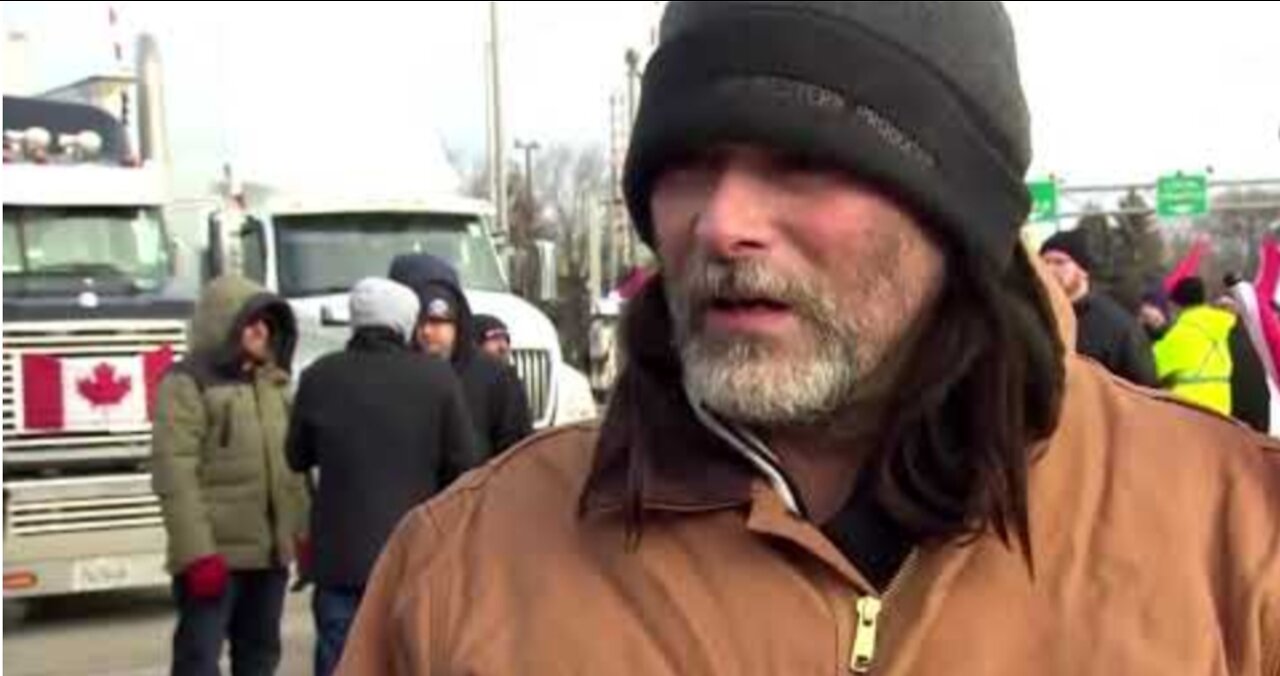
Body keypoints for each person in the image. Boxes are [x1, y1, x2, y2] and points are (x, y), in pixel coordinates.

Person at [339, 3, 1280, 675]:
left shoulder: (1232, 541)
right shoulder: (467, 566)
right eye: (689, 163)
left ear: (957, 213)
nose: (721, 223)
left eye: (805, 163)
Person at [286, 277, 479, 676]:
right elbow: (464, 465)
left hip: (339, 556)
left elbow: (295, 455)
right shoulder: (436, 380)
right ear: (405, 323)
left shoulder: (320, 377)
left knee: (340, 658)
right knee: (409, 659)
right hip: (414, 555)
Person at [152, 275, 310, 676]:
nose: (261, 330)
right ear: (224, 324)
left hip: (268, 557)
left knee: (260, 658)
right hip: (214, 558)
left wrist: (303, 532)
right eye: (250, 321)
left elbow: (293, 470)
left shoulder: (275, 384)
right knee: (199, 660)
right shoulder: (185, 383)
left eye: (267, 322)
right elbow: (175, 476)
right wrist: (197, 553)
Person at [389, 253, 532, 458]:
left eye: (439, 320)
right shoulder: (384, 379)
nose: (428, 332)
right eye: (418, 321)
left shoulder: (495, 379)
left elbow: (517, 459)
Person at [1039, 229, 1158, 386]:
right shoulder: (1034, 319)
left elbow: (1144, 390)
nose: (1049, 270)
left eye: (1059, 262)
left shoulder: (1118, 326)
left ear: (1083, 270)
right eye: (1044, 262)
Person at [1156, 276, 1271, 431]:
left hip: (1189, 416)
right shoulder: (1230, 326)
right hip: (1229, 415)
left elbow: (1148, 368)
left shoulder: (1184, 332)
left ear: (1176, 306)